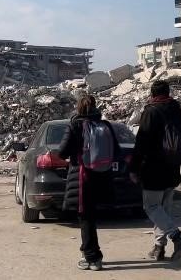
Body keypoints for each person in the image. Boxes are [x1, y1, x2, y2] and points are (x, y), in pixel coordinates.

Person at [128, 80, 181, 261]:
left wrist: (133, 167)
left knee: (152, 206)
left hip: (154, 169)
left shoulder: (151, 112)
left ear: (153, 94)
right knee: (163, 209)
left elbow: (142, 143)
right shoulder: (177, 112)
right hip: (172, 168)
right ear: (168, 92)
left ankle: (177, 237)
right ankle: (159, 247)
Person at [58, 94, 120, 271]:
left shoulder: (75, 125)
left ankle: (92, 257)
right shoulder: (105, 125)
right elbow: (116, 151)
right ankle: (91, 254)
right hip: (102, 176)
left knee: (85, 218)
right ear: (95, 107)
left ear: (78, 108)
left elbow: (62, 152)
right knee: (91, 217)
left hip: (83, 177)